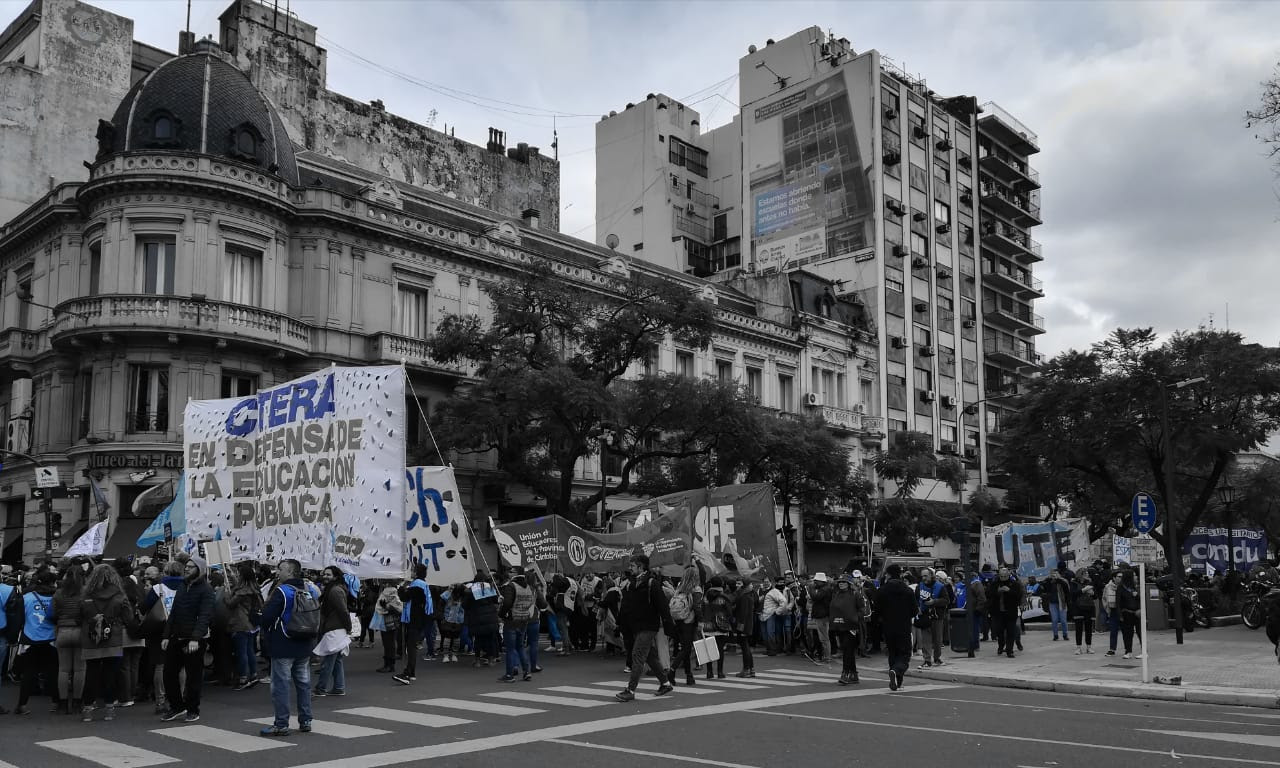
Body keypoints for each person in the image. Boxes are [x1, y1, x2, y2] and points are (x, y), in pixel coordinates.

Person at [258, 559, 318, 737]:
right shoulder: (310, 590)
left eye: (281, 569)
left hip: (284, 643)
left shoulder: (282, 592)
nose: (278, 572)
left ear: (291, 572)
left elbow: (268, 617)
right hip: (305, 641)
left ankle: (281, 723)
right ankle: (305, 720)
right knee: (303, 683)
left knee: (281, 685)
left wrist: (258, 619)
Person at [160, 556, 215, 723]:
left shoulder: (206, 590)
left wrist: (195, 638)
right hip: (177, 636)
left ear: (199, 570)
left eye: (191, 567)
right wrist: (166, 635)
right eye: (187, 566)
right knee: (168, 673)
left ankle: (192, 709)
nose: (187, 569)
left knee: (193, 677)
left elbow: (204, 616)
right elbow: (174, 612)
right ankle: (177, 706)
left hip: (194, 639)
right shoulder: (183, 586)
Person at [614, 554, 675, 702]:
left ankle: (630, 690)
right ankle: (665, 683)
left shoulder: (652, 583)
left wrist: (669, 627)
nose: (630, 568)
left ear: (641, 567)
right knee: (650, 656)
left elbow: (663, 606)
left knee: (637, 655)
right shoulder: (631, 583)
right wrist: (620, 624)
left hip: (648, 626)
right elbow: (626, 607)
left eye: (633, 566)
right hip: (636, 626)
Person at [80, 563, 136, 723]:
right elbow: (129, 618)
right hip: (113, 638)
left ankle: (87, 709)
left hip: (91, 639)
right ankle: (109, 709)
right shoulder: (119, 596)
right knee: (110, 674)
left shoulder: (85, 595)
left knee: (91, 674)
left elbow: (79, 616)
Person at [13, 569, 59, 715]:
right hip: (52, 639)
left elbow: (19, 619)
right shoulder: (56, 597)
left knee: (29, 673)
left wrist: (15, 637)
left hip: (31, 638)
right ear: (53, 582)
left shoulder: (27, 597)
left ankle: (22, 705)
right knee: (52, 672)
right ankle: (56, 703)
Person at [875, 564, 915, 691]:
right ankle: (897, 671)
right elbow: (914, 610)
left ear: (888, 574)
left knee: (892, 652)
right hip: (903, 626)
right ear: (900, 574)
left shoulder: (882, 590)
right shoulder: (908, 590)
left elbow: (877, 609)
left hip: (888, 626)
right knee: (905, 653)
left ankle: (897, 680)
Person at [52, 565, 87, 714]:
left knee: (63, 669)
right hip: (80, 631)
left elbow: (53, 613)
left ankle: (63, 703)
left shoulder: (59, 593)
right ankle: (78, 702)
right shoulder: (85, 592)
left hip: (63, 630)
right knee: (80, 669)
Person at [315, 566, 352, 696]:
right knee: (336, 660)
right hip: (336, 627)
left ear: (335, 577)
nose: (325, 576)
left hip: (335, 628)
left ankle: (321, 688)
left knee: (328, 660)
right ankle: (339, 687)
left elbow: (343, 610)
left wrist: (349, 627)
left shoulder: (335, 590)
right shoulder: (333, 589)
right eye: (324, 574)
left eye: (328, 575)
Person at [225, 562, 262, 691]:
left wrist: (226, 593)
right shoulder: (255, 589)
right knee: (249, 651)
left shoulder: (241, 592)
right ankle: (253, 674)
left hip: (240, 623)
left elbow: (230, 603)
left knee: (241, 653)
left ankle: (243, 677)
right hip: (251, 623)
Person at [394, 564, 432, 685]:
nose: (411, 572)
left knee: (410, 647)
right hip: (419, 619)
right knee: (411, 646)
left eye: (412, 570)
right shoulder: (423, 583)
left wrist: (400, 587)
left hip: (415, 619)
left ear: (416, 572)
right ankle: (411, 673)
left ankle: (407, 673)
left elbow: (405, 597)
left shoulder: (417, 585)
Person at [666, 564, 704, 686]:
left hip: (678, 620)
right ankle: (672, 670)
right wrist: (701, 621)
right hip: (689, 621)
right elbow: (697, 607)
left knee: (685, 648)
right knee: (687, 648)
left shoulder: (679, 587)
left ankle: (689, 676)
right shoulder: (696, 589)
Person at [498, 570, 537, 683]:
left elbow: (508, 603)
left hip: (512, 619)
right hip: (524, 619)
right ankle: (526, 672)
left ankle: (509, 675)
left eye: (512, 571)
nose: (509, 573)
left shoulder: (511, 586)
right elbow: (531, 602)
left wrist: (501, 613)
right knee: (520, 647)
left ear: (516, 574)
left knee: (510, 648)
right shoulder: (528, 586)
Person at [829, 574, 867, 684]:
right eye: (840, 582)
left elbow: (862, 610)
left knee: (847, 650)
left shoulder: (856, 594)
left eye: (844, 582)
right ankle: (854, 674)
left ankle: (845, 673)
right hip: (838, 626)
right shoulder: (836, 594)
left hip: (851, 627)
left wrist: (854, 618)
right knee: (847, 650)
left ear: (849, 584)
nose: (841, 583)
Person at [913, 568, 947, 668]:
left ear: (932, 575)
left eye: (925, 576)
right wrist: (917, 608)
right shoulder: (919, 586)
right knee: (926, 640)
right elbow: (915, 599)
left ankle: (937, 658)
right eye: (922, 576)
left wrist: (934, 602)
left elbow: (946, 600)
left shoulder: (940, 587)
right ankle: (927, 660)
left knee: (937, 640)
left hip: (937, 616)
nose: (923, 578)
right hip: (924, 616)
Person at [987, 566, 1024, 659]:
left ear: (1008, 575)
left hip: (1010, 612)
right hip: (998, 612)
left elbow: (1018, 596)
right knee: (999, 631)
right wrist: (998, 591)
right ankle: (1001, 645)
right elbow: (989, 594)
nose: (1003, 578)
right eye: (1001, 576)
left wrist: (1009, 591)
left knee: (1011, 631)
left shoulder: (1014, 584)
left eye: (1005, 576)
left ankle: (1009, 650)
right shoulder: (995, 583)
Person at [726, 576, 756, 678]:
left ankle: (746, 669)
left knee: (745, 647)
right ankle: (751, 669)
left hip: (743, 625)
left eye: (739, 584)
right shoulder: (747, 595)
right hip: (748, 624)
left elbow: (743, 613)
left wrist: (740, 627)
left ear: (744, 585)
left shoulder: (743, 596)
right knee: (746, 646)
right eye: (736, 583)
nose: (737, 586)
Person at [373, 581, 403, 673]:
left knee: (389, 644)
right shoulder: (394, 595)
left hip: (390, 623)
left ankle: (389, 665)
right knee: (388, 644)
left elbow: (398, 610)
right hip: (388, 622)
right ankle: (388, 664)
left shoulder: (393, 596)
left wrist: (386, 607)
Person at [806, 573, 833, 665]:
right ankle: (826, 657)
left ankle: (827, 658)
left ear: (821, 581)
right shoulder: (825, 589)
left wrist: (811, 589)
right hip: (822, 615)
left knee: (824, 638)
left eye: (816, 581)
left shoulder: (825, 590)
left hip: (822, 616)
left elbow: (815, 597)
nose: (814, 583)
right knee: (824, 638)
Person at [1116, 570, 1143, 660]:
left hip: (1137, 613)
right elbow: (1118, 602)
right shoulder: (1121, 588)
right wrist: (1120, 615)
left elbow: (1141, 600)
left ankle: (1144, 651)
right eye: (1134, 575)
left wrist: (1137, 596)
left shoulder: (1135, 587)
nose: (1136, 577)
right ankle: (1128, 651)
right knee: (1127, 633)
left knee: (1140, 632)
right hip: (1126, 613)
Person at [1044, 562, 1074, 641]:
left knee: (1063, 620)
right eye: (1052, 574)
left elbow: (1067, 589)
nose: (1054, 575)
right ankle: (1055, 635)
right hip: (1052, 603)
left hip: (1062, 602)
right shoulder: (1049, 581)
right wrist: (1049, 580)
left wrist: (1058, 580)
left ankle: (1065, 634)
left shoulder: (1063, 581)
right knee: (1054, 620)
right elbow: (1044, 588)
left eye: (1055, 574)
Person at [1070, 573, 1096, 655]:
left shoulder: (1090, 583)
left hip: (1089, 607)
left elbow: (1095, 596)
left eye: (1088, 574)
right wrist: (1083, 590)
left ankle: (1089, 647)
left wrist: (1093, 593)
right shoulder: (1073, 583)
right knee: (1079, 629)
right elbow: (1072, 595)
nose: (1087, 575)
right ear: (1080, 575)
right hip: (1078, 608)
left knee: (1089, 629)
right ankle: (1078, 648)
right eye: (1085, 573)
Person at [1102, 569, 1122, 656]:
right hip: (1113, 610)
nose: (1121, 578)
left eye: (1122, 577)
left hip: (1122, 610)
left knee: (1126, 631)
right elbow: (1104, 598)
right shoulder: (1108, 587)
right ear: (1114, 578)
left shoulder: (1123, 586)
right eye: (1119, 577)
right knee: (1113, 631)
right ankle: (1112, 649)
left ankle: (1128, 650)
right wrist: (1107, 609)